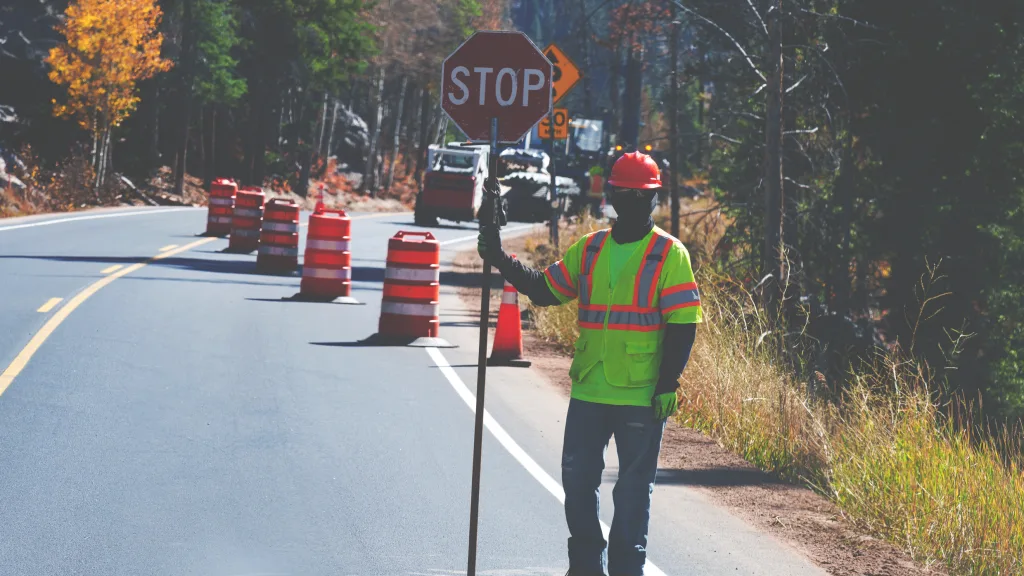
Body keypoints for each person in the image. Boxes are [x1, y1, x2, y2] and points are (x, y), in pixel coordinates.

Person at [477, 151, 702, 576]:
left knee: (634, 493)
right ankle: (585, 566)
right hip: (590, 390)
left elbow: (683, 324)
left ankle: (626, 568)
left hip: (641, 394)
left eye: (643, 195)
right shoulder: (591, 249)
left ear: (653, 199)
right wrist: (500, 259)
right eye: (627, 194)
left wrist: (669, 382)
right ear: (614, 196)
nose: (635, 201)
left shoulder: (669, 255)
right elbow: (545, 290)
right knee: (578, 485)